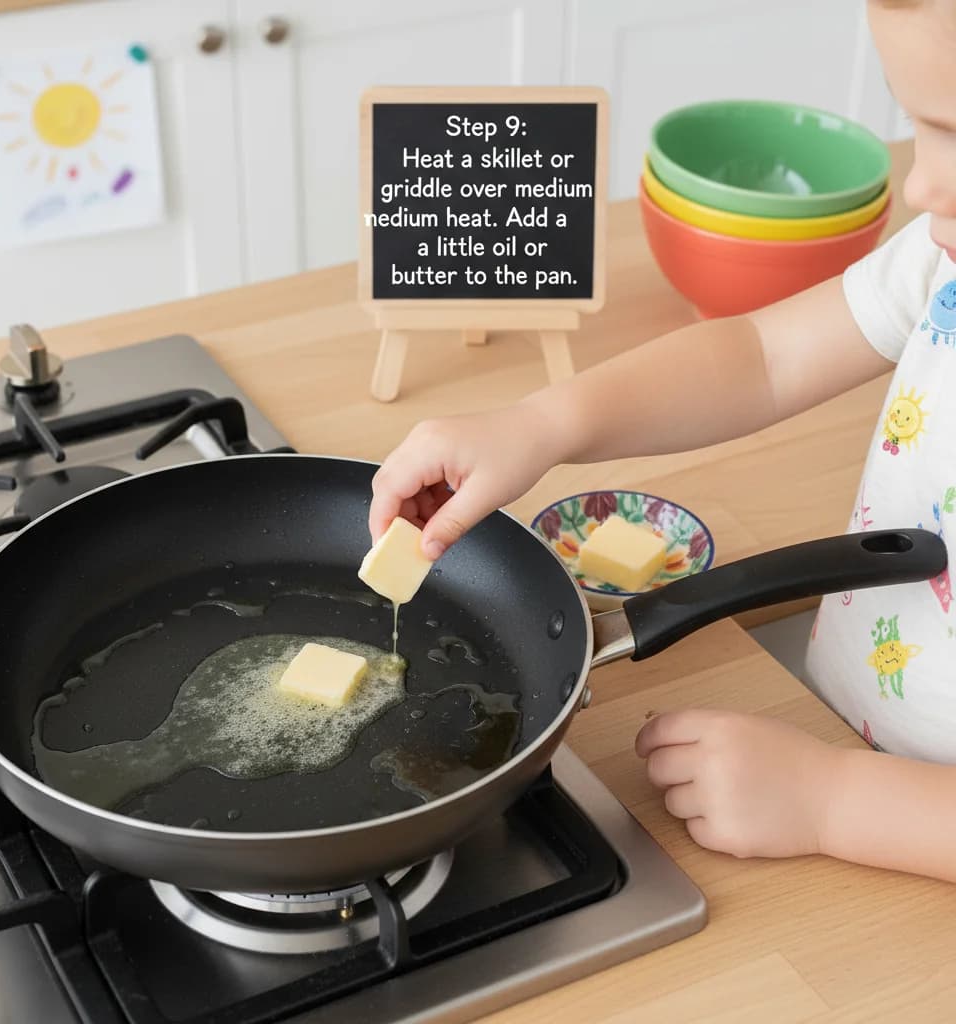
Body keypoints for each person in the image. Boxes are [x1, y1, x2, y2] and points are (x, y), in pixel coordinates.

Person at [368, 0, 956, 882]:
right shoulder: (941, 257)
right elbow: (764, 355)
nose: (919, 184)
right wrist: (542, 424)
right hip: (837, 713)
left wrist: (834, 800)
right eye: (922, 125)